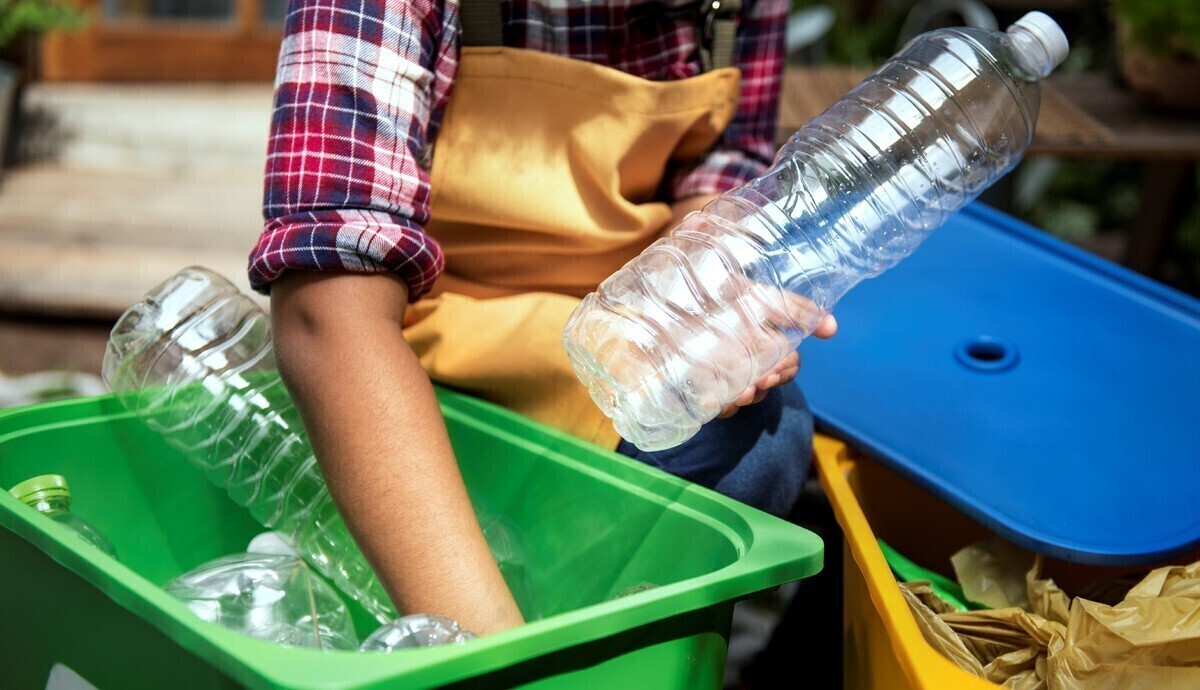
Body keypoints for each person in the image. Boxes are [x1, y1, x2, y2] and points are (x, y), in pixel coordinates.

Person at [249, 0, 836, 636]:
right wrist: (490, 654)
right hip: (417, 348)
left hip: (609, 333)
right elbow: (326, 312)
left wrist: (695, 300)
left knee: (763, 440)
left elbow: (722, 165)